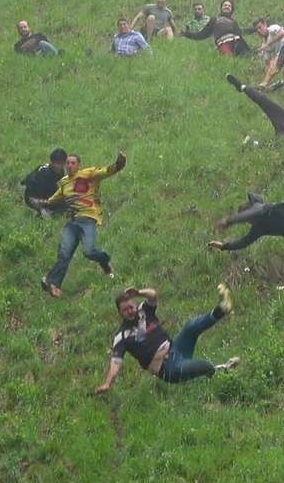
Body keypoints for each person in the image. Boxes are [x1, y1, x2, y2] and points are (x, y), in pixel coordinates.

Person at [95, 284, 239, 392]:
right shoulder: (121, 336)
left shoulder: (144, 310)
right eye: (125, 310)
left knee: (190, 327)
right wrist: (108, 383)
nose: (129, 311)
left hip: (176, 348)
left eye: (130, 307)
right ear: (120, 313)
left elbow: (153, 295)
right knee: (204, 366)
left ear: (134, 304)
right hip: (168, 369)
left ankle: (223, 308)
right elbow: (115, 363)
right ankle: (223, 370)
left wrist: (139, 292)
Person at [36, 152, 127, 297]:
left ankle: (105, 261)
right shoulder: (65, 182)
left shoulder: (88, 174)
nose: (69, 165)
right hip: (72, 222)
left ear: (79, 165)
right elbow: (57, 196)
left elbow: (105, 171)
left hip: (87, 219)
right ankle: (52, 283)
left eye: (73, 163)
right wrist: (45, 202)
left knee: (89, 251)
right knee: (64, 253)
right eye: (68, 163)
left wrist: (118, 164)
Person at [182, 0, 250, 56]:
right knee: (228, 61)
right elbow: (202, 34)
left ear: (231, 9)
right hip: (224, 44)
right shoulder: (214, 20)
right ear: (221, 8)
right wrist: (186, 34)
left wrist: (254, 29)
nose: (227, 7)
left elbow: (240, 32)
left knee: (248, 56)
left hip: (237, 42)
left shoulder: (233, 22)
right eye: (225, 5)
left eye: (229, 6)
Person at [252, 18, 284, 90]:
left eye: (260, 27)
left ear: (265, 24)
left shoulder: (272, 29)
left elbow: (283, 33)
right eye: (257, 30)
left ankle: (263, 85)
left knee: (275, 61)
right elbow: (268, 63)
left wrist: (268, 44)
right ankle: (276, 85)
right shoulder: (264, 45)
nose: (259, 31)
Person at [21, 148, 69, 218]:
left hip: (43, 193)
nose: (60, 166)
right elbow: (26, 181)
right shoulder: (45, 174)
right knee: (63, 205)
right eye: (58, 163)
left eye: (62, 164)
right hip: (32, 197)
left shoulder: (59, 171)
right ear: (52, 162)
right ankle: (41, 211)